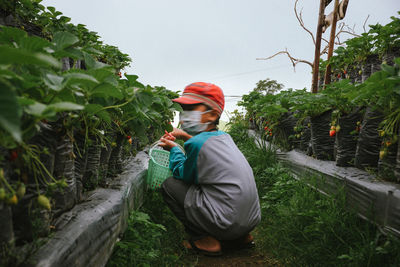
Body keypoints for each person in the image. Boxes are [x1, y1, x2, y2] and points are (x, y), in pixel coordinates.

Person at [158, 82, 261, 256]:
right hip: (250, 220)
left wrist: (174, 149)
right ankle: (241, 237)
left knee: (170, 185)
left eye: (190, 109)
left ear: (212, 114)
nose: (184, 116)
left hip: (226, 223)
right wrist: (184, 136)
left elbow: (182, 175)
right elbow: (204, 146)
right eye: (182, 109)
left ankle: (204, 240)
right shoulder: (224, 137)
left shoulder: (197, 144)